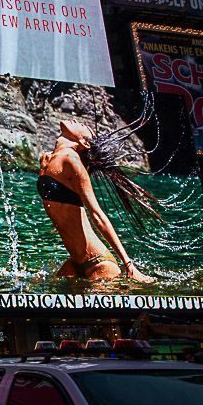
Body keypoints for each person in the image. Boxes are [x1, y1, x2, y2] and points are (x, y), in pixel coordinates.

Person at [38, 115, 160, 283]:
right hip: (74, 263)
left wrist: (129, 265)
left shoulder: (71, 160)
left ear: (84, 142)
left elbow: (98, 215)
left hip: (98, 263)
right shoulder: (47, 159)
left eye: (83, 125)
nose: (77, 120)